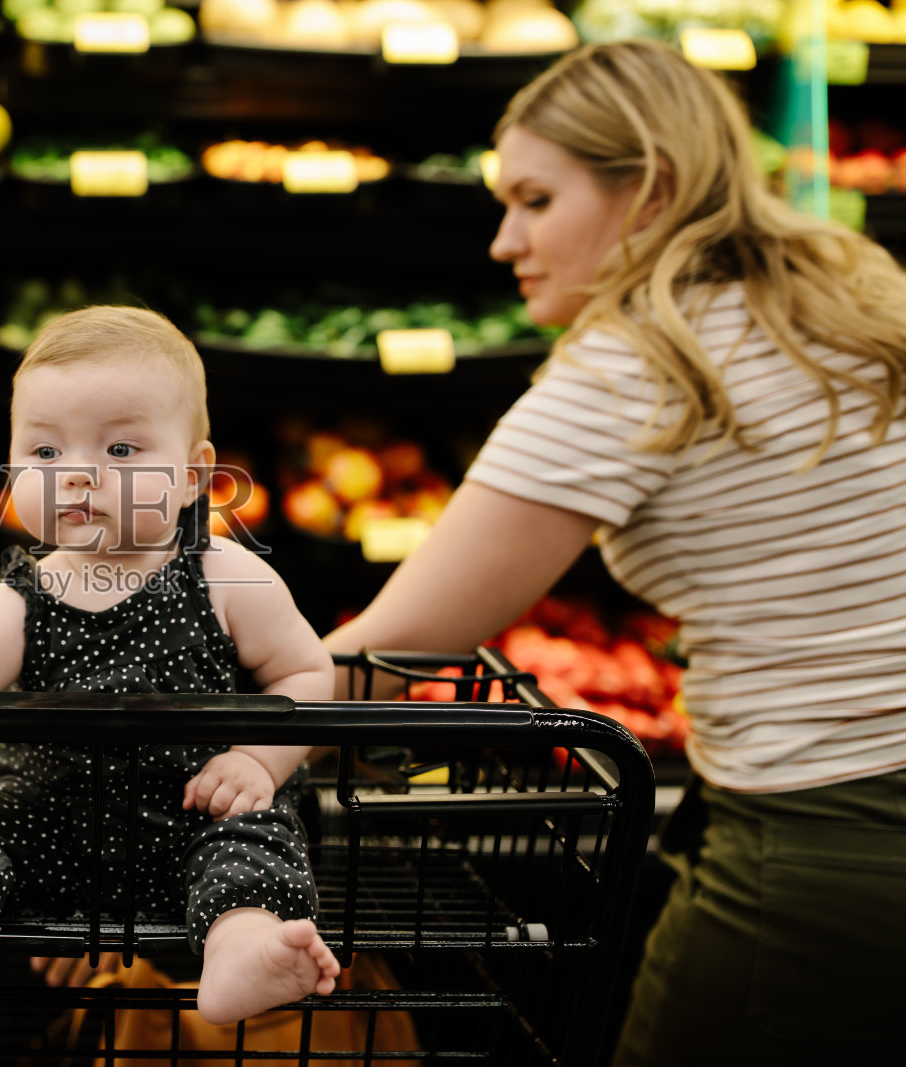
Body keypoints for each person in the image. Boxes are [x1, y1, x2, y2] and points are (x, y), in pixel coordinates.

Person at [323, 39, 906, 1067]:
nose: (504, 240)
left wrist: (177, 746)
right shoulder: (848, 296)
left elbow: (398, 644)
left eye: (536, 201)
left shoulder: (637, 362)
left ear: (651, 191)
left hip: (829, 840)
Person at [0, 306, 340, 1025]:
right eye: (46, 455)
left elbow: (308, 676)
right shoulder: (16, 602)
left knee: (258, 838)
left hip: (198, 810)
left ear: (197, 475)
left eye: (122, 451)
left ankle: (242, 945)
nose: (77, 477)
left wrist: (257, 761)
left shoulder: (229, 576)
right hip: (50, 816)